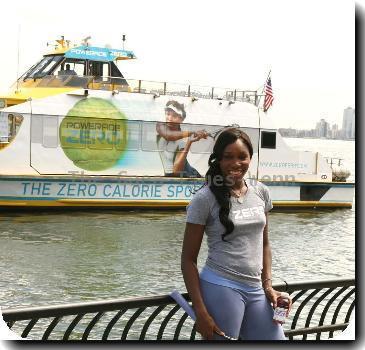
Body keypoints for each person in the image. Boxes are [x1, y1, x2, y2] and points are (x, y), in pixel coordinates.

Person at [181, 127, 292, 340]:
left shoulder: (261, 191)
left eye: (243, 157)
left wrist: (268, 286)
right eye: (228, 157)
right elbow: (188, 260)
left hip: (255, 288)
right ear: (218, 160)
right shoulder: (204, 199)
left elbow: (265, 243)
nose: (236, 163)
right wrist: (201, 311)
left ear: (251, 158)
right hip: (221, 286)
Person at [156, 100, 209, 177]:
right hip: (176, 177)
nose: (169, 118)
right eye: (167, 114)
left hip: (190, 175)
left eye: (174, 116)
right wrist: (193, 132)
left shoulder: (181, 141)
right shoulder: (160, 126)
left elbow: (176, 172)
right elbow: (169, 135)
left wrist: (189, 142)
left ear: (181, 119)